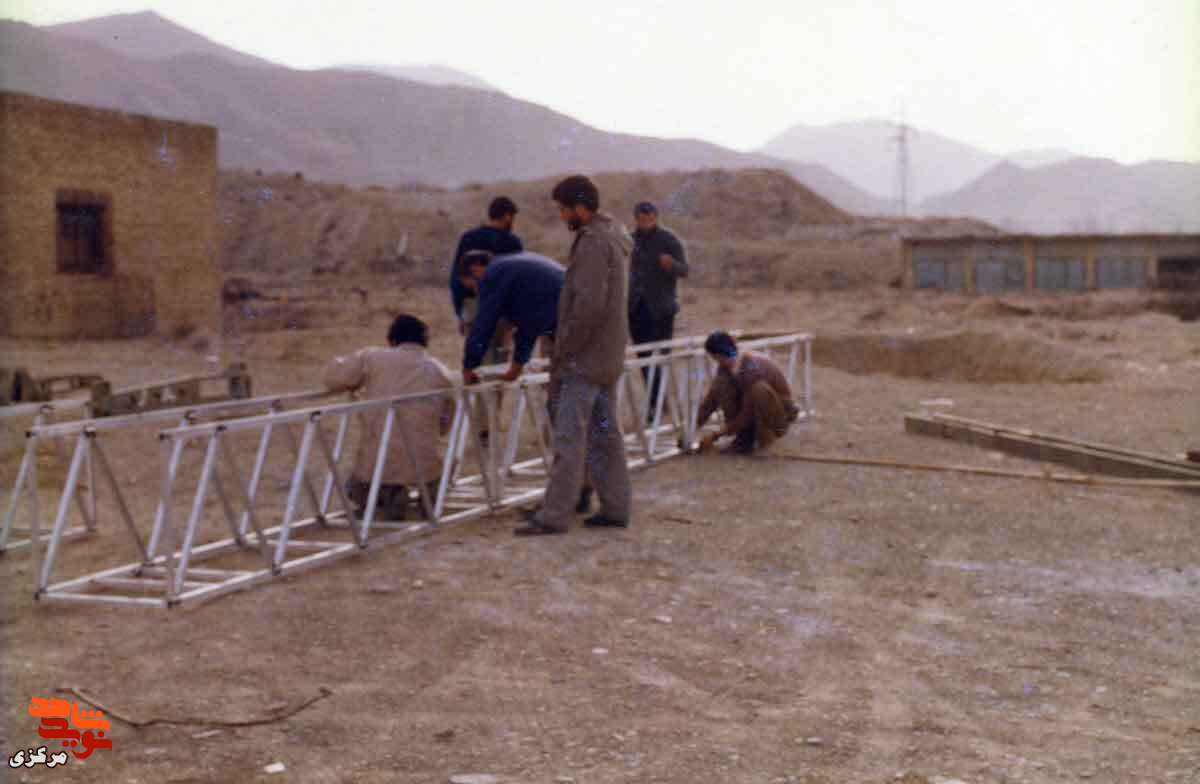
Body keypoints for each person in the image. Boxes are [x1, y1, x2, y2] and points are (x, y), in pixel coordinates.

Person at [515, 175, 632, 536]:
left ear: (580, 207)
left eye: (564, 209)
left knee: (569, 439)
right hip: (607, 356)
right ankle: (615, 507)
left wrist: (564, 346)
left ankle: (553, 515)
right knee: (605, 437)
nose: (563, 215)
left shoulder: (593, 242)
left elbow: (588, 304)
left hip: (584, 359)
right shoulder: (612, 236)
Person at [323, 314, 455, 520]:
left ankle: (388, 495)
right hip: (426, 464)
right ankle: (427, 492)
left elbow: (332, 378)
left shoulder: (373, 357)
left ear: (392, 339)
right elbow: (446, 421)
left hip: (378, 464)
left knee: (356, 486)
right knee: (428, 463)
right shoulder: (438, 369)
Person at [457, 249, 565, 385]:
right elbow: (529, 326)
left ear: (476, 269)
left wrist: (469, 366)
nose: (477, 292)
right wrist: (514, 371)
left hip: (565, 314)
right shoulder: (513, 266)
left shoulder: (492, 274)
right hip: (574, 309)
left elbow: (483, 324)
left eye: (472, 286)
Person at [628, 201, 688, 415]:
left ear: (656, 218)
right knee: (644, 358)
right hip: (636, 309)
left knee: (660, 357)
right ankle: (657, 404)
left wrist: (670, 264)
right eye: (642, 220)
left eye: (650, 219)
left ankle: (661, 404)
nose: (646, 223)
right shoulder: (629, 241)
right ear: (636, 219)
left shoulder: (668, 240)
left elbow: (684, 270)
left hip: (662, 310)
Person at [696, 331, 800, 455]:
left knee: (758, 390)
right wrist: (690, 429)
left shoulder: (751, 369)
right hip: (752, 411)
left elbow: (747, 413)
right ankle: (745, 438)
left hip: (779, 415)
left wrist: (716, 435)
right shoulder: (726, 368)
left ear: (717, 356)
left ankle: (766, 436)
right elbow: (710, 401)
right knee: (721, 384)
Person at [450, 196, 523, 337]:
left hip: (473, 306)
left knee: (477, 348)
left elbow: (457, 277)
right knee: (501, 350)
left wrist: (460, 312)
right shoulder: (512, 242)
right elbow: (517, 281)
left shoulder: (469, 237)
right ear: (507, 216)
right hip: (502, 307)